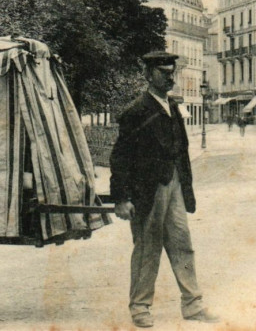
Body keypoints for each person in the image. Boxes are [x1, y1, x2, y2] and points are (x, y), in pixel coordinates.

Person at [110, 51, 219, 328]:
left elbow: (181, 151)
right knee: (148, 248)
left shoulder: (172, 106)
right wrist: (121, 198)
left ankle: (193, 305)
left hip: (175, 186)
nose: (170, 76)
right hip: (148, 190)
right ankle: (140, 308)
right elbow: (120, 158)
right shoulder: (136, 111)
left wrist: (185, 188)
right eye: (163, 72)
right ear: (148, 75)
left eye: (172, 72)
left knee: (182, 244)